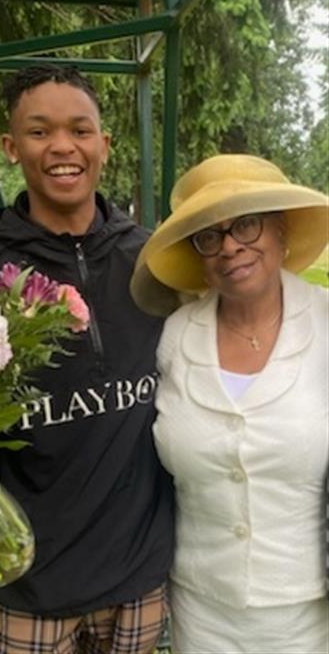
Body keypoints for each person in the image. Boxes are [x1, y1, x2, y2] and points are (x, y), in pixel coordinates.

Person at [0, 64, 176, 653]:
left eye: (80, 129)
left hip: (140, 570)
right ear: (9, 147)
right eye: (39, 131)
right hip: (31, 580)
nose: (62, 147)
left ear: (105, 142)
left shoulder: (155, 263)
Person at [130, 154, 329, 654]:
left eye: (246, 224)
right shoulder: (175, 338)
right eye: (209, 235)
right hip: (202, 610)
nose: (231, 246)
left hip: (310, 612)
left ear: (281, 232)